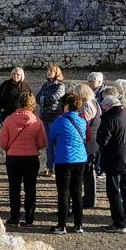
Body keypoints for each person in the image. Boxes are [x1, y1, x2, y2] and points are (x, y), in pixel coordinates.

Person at [0, 88, 47, 226]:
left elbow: (2, 141)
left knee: (14, 188)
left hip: (13, 157)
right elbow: (43, 142)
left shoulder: (9, 120)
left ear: (18, 103)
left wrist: (9, 148)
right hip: (31, 158)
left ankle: (14, 217)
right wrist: (33, 148)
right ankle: (29, 218)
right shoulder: (37, 122)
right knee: (30, 188)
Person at [47, 92, 89, 234]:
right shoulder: (83, 121)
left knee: (63, 193)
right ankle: (78, 225)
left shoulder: (60, 122)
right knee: (77, 192)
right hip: (80, 159)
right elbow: (86, 137)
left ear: (66, 106)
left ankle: (62, 225)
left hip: (64, 159)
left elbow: (51, 139)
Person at [97, 91, 126, 232]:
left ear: (108, 107)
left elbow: (103, 140)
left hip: (114, 160)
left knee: (114, 192)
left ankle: (119, 223)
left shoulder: (110, 119)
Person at [72, 83, 102, 207]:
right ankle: (91, 196)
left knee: (88, 172)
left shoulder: (86, 105)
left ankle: (90, 198)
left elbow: (83, 123)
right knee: (90, 171)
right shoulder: (95, 103)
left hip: (88, 141)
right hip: (94, 140)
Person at [35, 65, 68, 170]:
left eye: (51, 71)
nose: (49, 72)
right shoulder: (45, 85)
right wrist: (43, 99)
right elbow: (37, 98)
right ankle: (49, 166)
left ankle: (56, 165)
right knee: (48, 143)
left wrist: (43, 100)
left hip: (54, 116)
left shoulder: (60, 86)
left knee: (55, 142)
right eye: (48, 71)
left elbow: (55, 97)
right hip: (44, 116)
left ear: (56, 73)